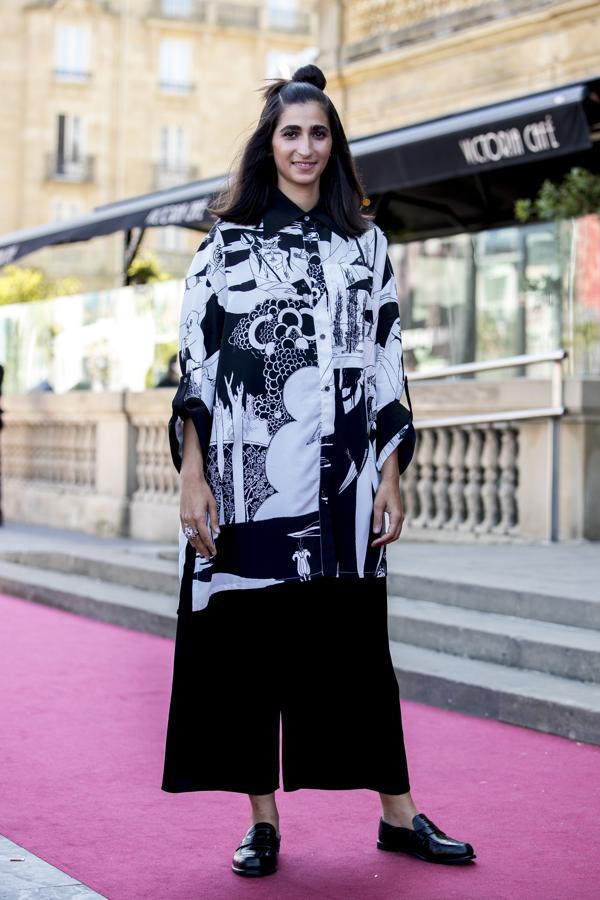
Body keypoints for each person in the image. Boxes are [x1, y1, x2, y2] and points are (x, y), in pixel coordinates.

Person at [161, 64, 475, 877]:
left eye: (318, 134)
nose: (305, 147)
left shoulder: (365, 244)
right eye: (290, 133)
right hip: (245, 485)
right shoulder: (227, 244)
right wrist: (192, 474)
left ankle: (399, 817)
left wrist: (392, 474)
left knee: (359, 653)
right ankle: (261, 823)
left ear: (335, 147)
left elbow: (385, 364)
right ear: (270, 146)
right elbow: (193, 366)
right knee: (247, 657)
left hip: (341, 494)